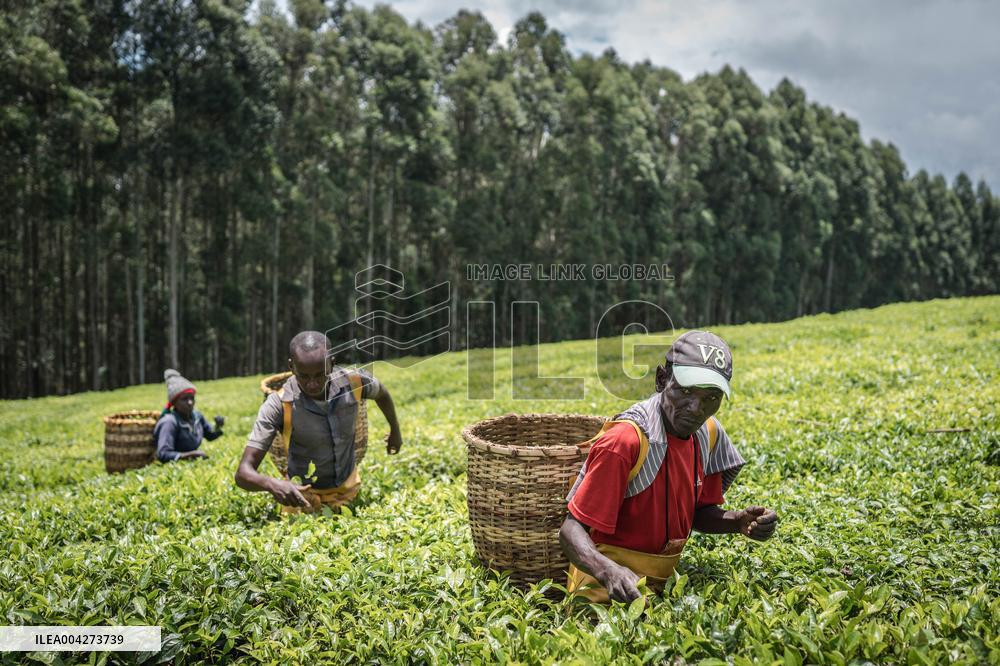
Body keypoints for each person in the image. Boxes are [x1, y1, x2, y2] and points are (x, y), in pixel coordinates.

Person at [559, 331, 778, 603]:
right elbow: (570, 531)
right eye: (685, 391)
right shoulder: (625, 442)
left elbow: (695, 513)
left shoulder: (707, 434)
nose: (696, 408)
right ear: (662, 380)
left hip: (666, 586)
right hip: (603, 592)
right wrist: (609, 572)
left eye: (711, 397)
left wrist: (738, 522)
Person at [234, 330, 404, 514]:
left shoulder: (355, 382)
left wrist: (395, 430)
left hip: (347, 490)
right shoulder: (278, 404)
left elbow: (383, 393)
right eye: (304, 376)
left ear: (332, 363)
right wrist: (272, 484)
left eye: (319, 375)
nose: (312, 384)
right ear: (292, 367)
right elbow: (243, 473)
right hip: (301, 499)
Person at [153, 369, 225, 463]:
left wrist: (218, 426)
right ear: (174, 403)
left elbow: (210, 436)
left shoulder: (197, 417)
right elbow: (163, 454)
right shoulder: (169, 422)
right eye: (184, 399)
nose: (190, 402)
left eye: (192, 398)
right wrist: (191, 455)